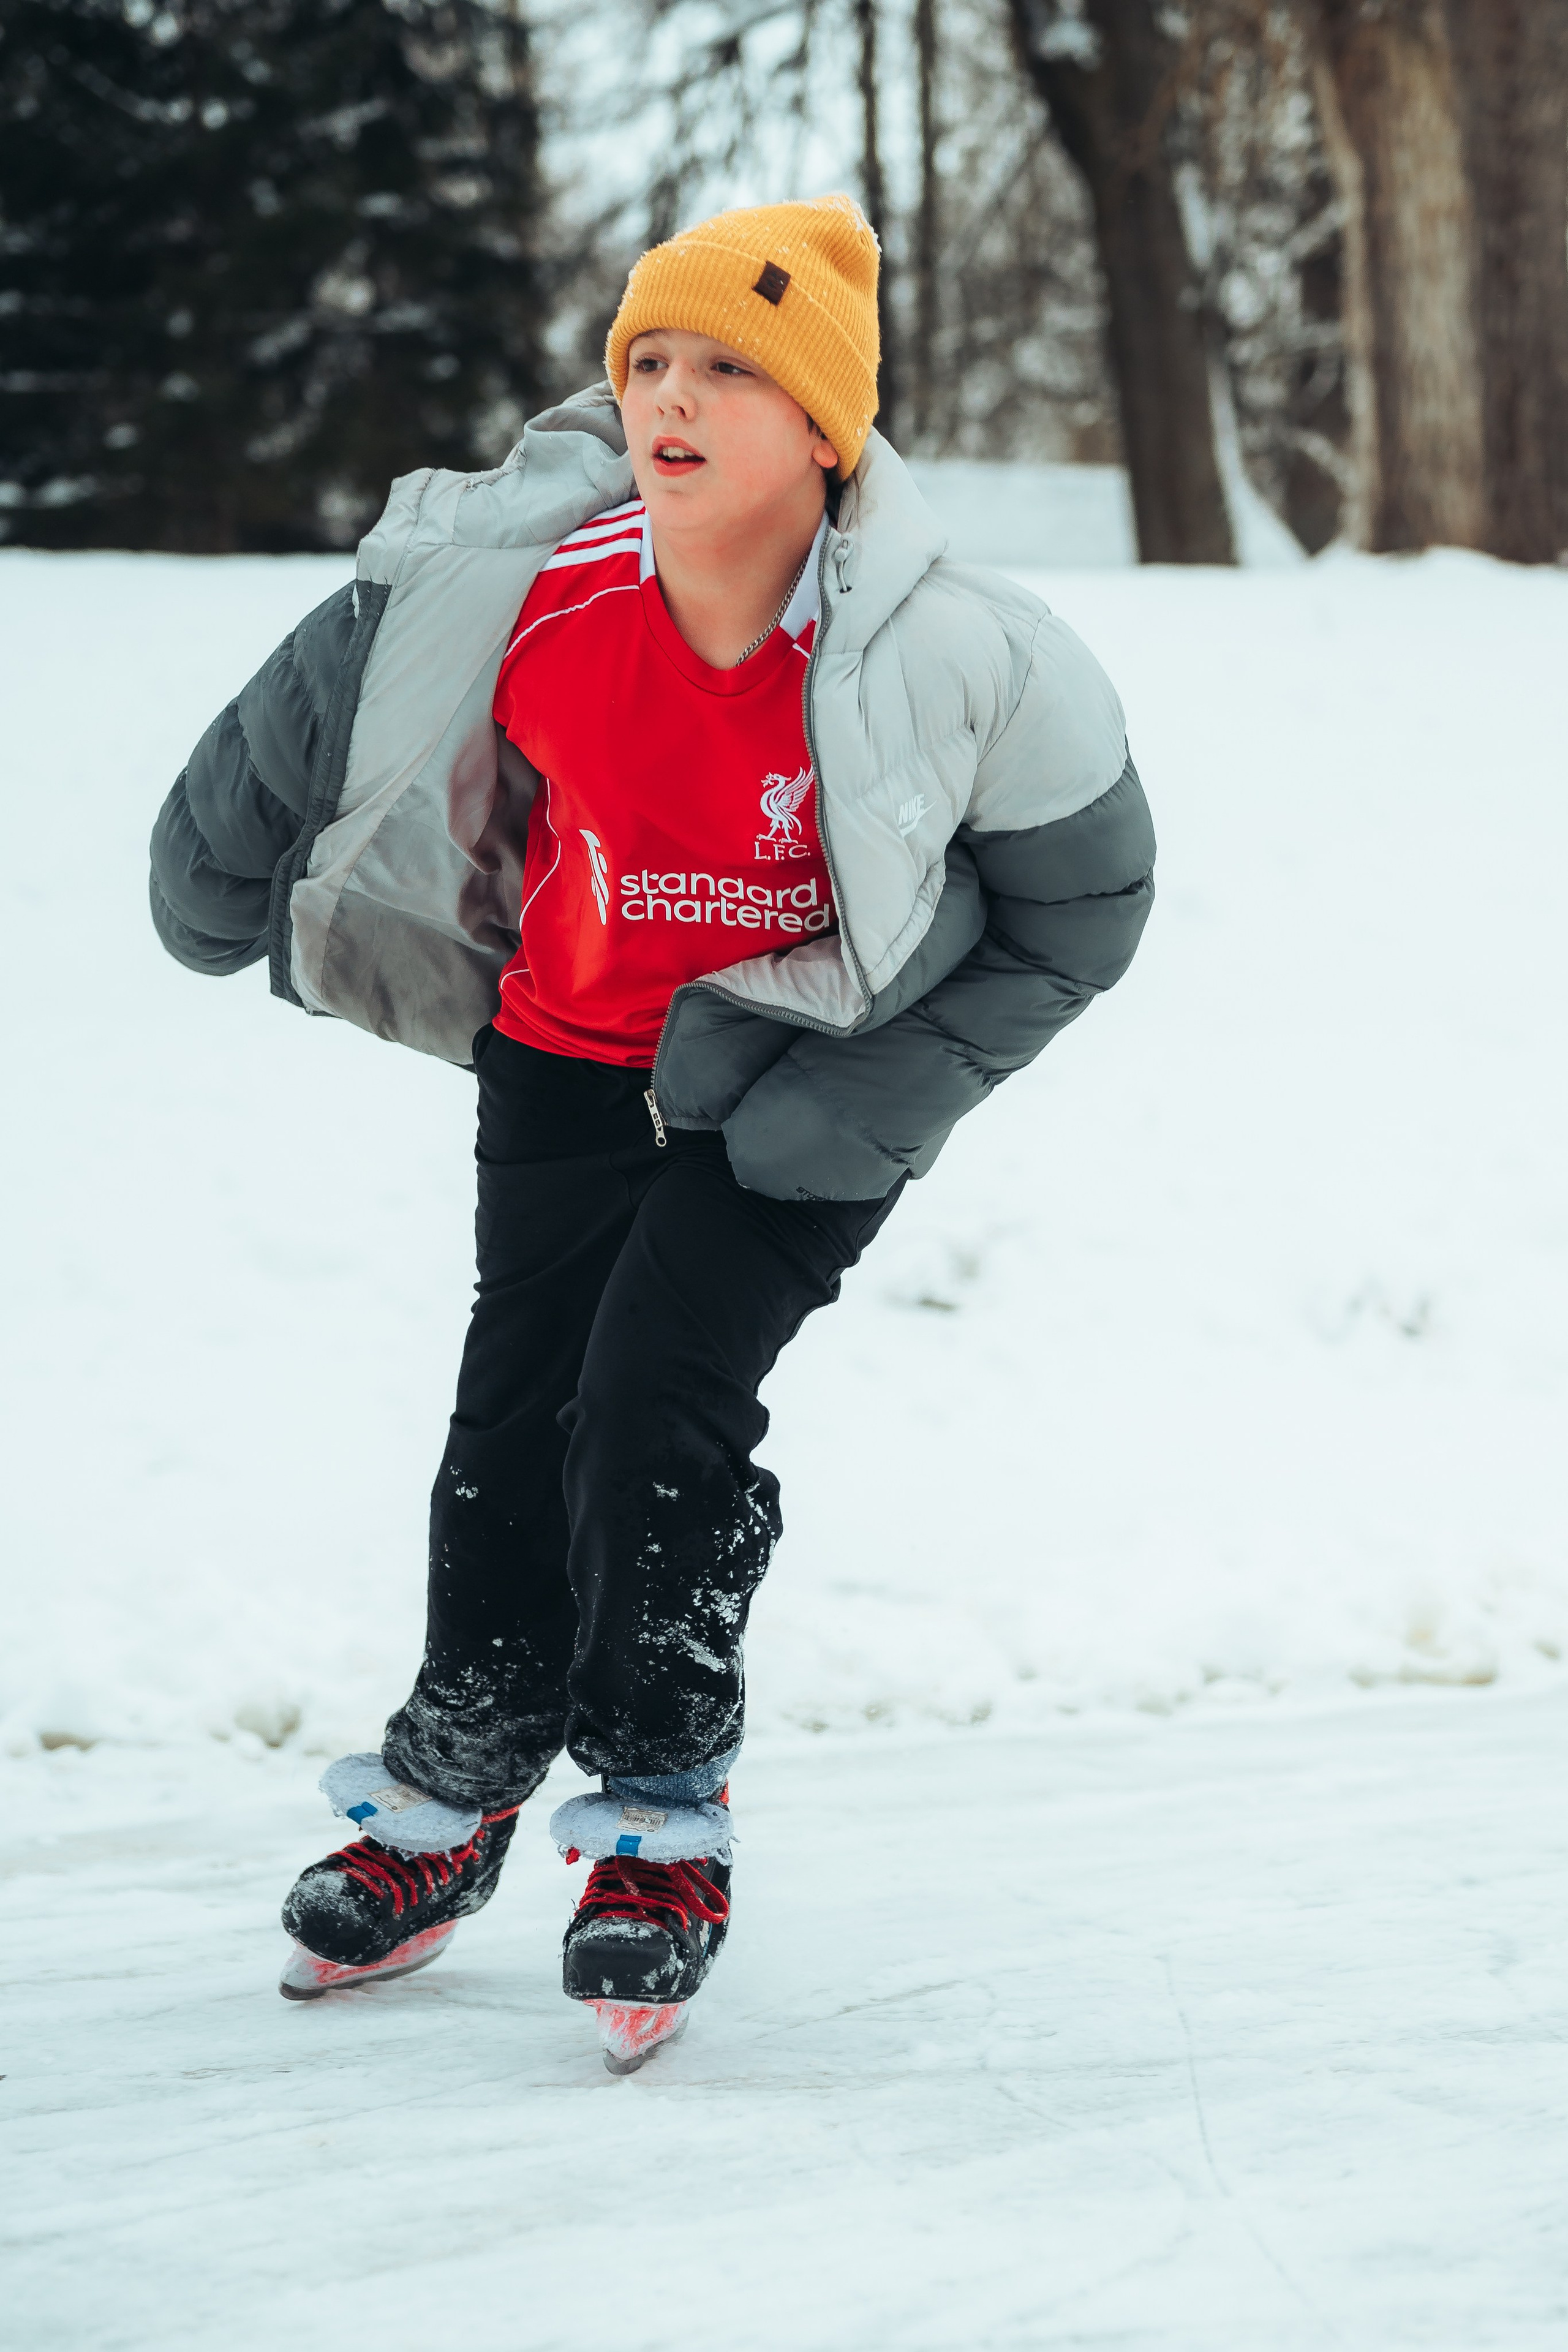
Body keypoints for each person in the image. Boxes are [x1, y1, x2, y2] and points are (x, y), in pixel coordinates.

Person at [149, 194, 1155, 2070]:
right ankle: (454, 1794)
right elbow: (341, 670)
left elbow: (1086, 913)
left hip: (794, 1097)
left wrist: (870, 1103)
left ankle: (662, 1827)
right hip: (559, 1056)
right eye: (650, 362)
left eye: (728, 369)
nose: (670, 399)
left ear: (827, 430)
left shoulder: (963, 652)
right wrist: (213, 861)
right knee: (511, 1412)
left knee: (651, 1411)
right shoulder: (534, 585)